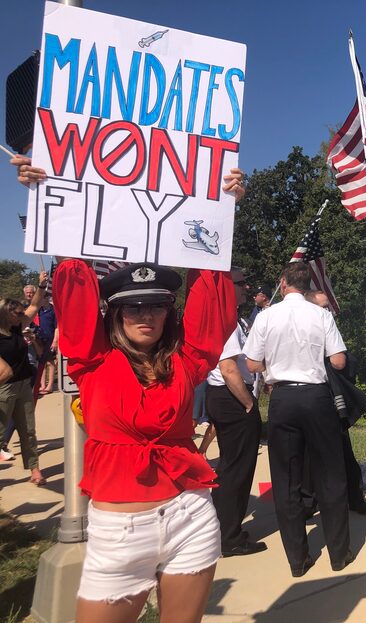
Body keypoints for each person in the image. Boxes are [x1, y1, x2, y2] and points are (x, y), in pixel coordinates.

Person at [50, 171, 244, 623]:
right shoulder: (91, 360)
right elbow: (74, 284)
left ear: (167, 311)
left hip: (189, 518)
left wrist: (222, 209)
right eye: (133, 306)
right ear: (114, 313)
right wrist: (54, 200)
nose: (145, 314)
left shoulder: (187, 361)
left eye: (156, 304)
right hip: (119, 533)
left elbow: (210, 294)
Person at [243, 262, 352, 577]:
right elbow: (339, 360)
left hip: (283, 398)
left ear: (283, 283)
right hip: (316, 397)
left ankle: (298, 558)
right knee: (330, 473)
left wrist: (273, 363)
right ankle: (339, 553)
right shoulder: (321, 315)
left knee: (287, 478)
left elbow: (251, 364)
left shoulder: (266, 317)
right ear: (307, 287)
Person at [204, 267, 266, 557]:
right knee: (236, 470)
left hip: (226, 398)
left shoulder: (233, 319)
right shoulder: (225, 320)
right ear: (227, 287)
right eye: (241, 283)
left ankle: (222, 529)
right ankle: (229, 536)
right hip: (232, 398)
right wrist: (249, 403)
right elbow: (229, 369)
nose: (247, 288)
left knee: (232, 466)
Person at [306, 290, 366, 515]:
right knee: (307, 453)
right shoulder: (304, 330)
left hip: (332, 402)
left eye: (329, 307)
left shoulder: (329, 327)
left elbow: (342, 363)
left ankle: (354, 497)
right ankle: (308, 501)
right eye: (323, 307)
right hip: (312, 398)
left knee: (344, 451)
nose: (328, 311)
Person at [0, 271, 50, 482]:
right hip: (4, 387)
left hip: (22, 386)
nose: (23, 316)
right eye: (18, 313)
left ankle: (34, 470)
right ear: (6, 313)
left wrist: (41, 286)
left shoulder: (18, 328)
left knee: (28, 430)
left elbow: (35, 306)